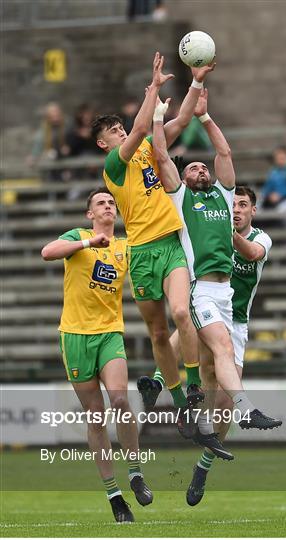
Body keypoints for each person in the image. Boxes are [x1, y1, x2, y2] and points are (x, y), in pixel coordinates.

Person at [151, 90, 281, 459]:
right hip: (201, 290)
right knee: (219, 349)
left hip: (226, 296)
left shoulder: (224, 198)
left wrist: (206, 119)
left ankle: (204, 420)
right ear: (184, 179)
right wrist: (159, 118)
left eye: (201, 167)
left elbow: (223, 153)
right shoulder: (182, 199)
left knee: (217, 365)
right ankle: (245, 410)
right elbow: (161, 156)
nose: (201, 169)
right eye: (193, 168)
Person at [91, 52, 215, 439]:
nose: (120, 132)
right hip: (140, 253)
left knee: (182, 311)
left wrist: (195, 82)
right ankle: (179, 404)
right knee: (159, 335)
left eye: (119, 127)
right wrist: (154, 88)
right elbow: (144, 122)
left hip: (169, 244)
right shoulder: (114, 163)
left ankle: (192, 385)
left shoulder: (145, 147)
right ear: (103, 143)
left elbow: (178, 120)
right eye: (113, 130)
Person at [41, 188, 153, 523]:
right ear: (90, 214)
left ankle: (134, 472)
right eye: (101, 203)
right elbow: (48, 251)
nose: (108, 207)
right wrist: (88, 244)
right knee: (95, 416)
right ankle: (115, 496)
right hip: (75, 336)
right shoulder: (80, 237)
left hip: (109, 334)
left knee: (119, 399)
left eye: (111, 203)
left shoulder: (124, 247)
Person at [186, 186, 274, 505]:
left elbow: (251, 254)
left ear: (253, 211)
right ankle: (168, 389)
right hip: (208, 305)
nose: (236, 209)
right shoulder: (212, 231)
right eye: (232, 204)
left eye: (242, 205)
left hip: (236, 322)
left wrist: (223, 225)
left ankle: (203, 467)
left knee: (224, 403)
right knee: (181, 328)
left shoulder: (262, 238)